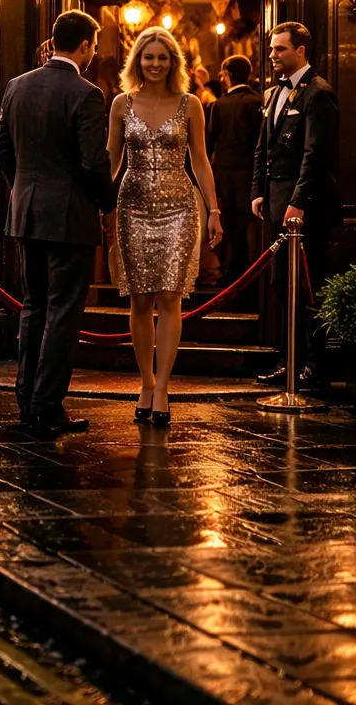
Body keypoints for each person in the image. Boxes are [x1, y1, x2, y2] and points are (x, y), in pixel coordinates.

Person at [0, 11, 115, 433]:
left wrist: (25, 191)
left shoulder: (16, 86)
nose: (93, 53)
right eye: (94, 46)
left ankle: (27, 398)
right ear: (84, 46)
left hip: (26, 212)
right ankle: (46, 406)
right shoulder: (86, 93)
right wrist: (107, 202)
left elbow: (2, 152)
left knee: (33, 307)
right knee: (63, 312)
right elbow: (93, 161)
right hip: (69, 216)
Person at [107, 26, 223, 427]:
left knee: (170, 298)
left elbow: (201, 161)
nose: (154, 64)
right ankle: (145, 380)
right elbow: (111, 160)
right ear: (137, 60)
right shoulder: (122, 103)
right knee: (139, 300)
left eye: (162, 57)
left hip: (178, 207)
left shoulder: (190, 104)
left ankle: (163, 387)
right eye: (148, 56)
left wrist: (214, 209)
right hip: (133, 205)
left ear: (174, 62)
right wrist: (94, 204)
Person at [251, 22, 340, 390]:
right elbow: (263, 148)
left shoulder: (318, 93)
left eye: (280, 50)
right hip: (274, 203)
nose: (273, 55)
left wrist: (299, 202)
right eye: (272, 49)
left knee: (307, 285)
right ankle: (290, 360)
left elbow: (315, 155)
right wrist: (258, 190)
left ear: (301, 51)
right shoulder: (273, 93)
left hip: (305, 209)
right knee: (279, 285)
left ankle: (315, 364)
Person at [208, 55, 263, 286]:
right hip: (250, 172)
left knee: (229, 224)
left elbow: (209, 141)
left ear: (228, 75)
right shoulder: (258, 101)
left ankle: (229, 272)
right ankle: (248, 272)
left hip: (224, 174)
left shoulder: (219, 105)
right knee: (249, 226)